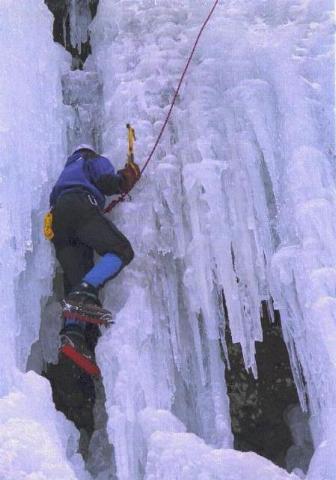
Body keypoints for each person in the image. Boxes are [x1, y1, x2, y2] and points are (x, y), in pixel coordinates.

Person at [49, 143, 140, 374]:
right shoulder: (91, 160)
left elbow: (60, 202)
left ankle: (72, 335)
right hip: (81, 205)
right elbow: (106, 181)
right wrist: (123, 180)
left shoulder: (66, 171)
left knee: (77, 277)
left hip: (58, 221)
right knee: (122, 250)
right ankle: (84, 292)